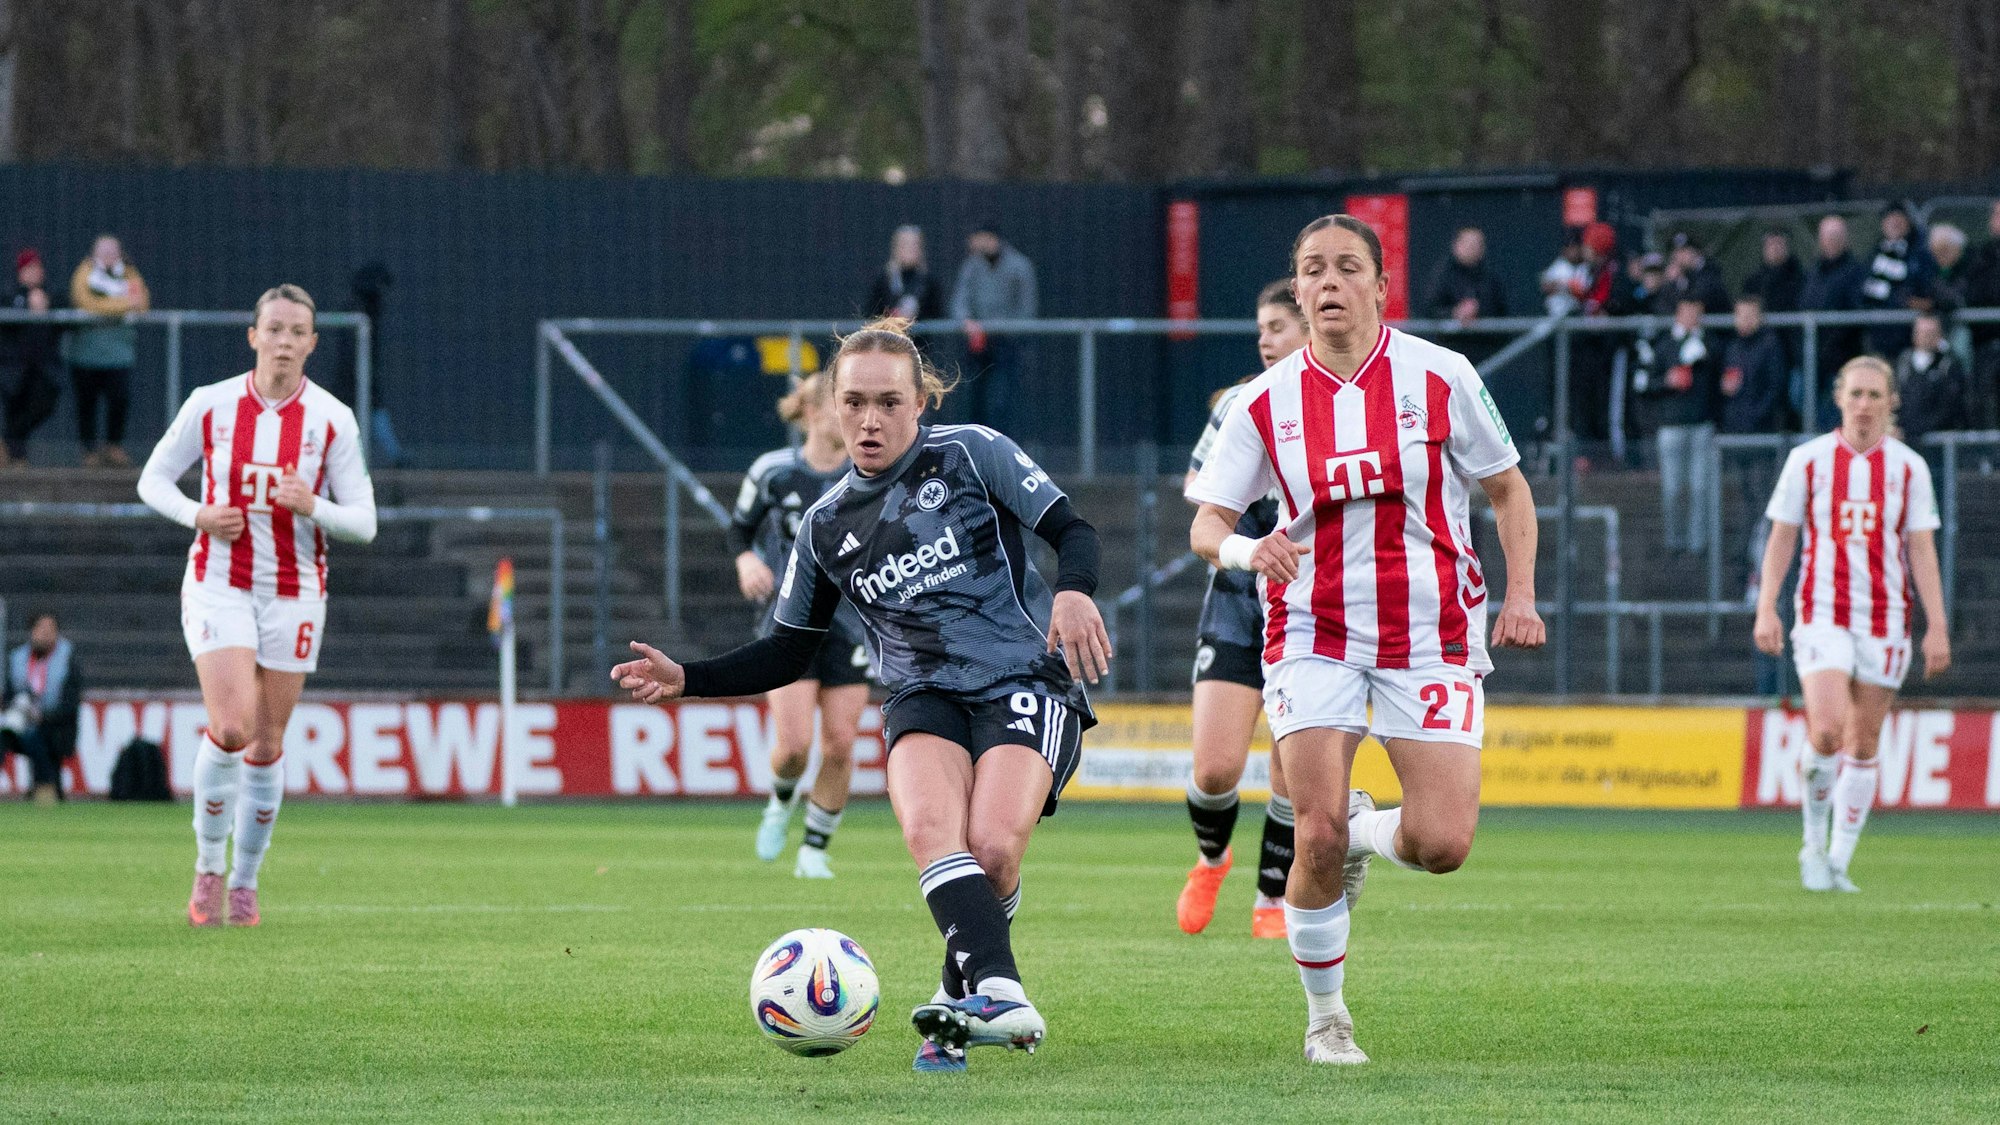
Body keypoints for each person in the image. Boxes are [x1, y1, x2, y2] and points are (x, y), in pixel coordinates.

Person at [613, 318, 1109, 1072]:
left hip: (1024, 677)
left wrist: (1073, 593)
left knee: (995, 851)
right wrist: (690, 678)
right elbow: (786, 649)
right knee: (931, 833)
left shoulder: (972, 453)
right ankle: (1000, 990)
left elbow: (1073, 529)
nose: (869, 420)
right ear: (831, 406)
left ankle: (955, 1012)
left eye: (888, 402)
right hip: (921, 692)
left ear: (921, 402)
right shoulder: (822, 528)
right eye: (854, 402)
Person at [1187, 214, 1545, 1064]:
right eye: (1314, 269)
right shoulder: (1261, 402)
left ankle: (1365, 836)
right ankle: (1327, 1021)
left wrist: (1522, 593)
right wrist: (1247, 547)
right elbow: (1208, 521)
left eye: (1349, 267)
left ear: (1383, 286)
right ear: (1299, 287)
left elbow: (1508, 488)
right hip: (1313, 629)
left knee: (1443, 843)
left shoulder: (1443, 374)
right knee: (1313, 834)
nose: (1330, 283)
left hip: (1432, 633)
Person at [137, 284, 378, 928]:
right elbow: (151, 479)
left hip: (297, 591)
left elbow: (366, 522)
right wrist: (198, 513)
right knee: (234, 726)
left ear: (312, 343)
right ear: (253, 336)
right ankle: (209, 867)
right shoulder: (211, 405)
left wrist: (314, 506)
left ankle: (246, 882)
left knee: (268, 742)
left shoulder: (332, 419)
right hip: (220, 581)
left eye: (297, 331)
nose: (284, 341)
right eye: (273, 329)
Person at [1753, 356, 1949, 893]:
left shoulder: (1910, 469)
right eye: (1855, 394)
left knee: (1863, 744)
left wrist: (1938, 626)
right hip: (1821, 614)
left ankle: (1839, 859)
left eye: (1874, 395)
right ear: (1839, 399)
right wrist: (1767, 605)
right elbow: (1782, 538)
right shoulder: (1808, 461)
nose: (1864, 404)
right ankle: (1812, 847)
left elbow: (1922, 551)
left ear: (1891, 403)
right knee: (1827, 728)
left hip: (1886, 620)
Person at [1174, 280, 1308, 941]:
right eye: (1261, 326)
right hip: (1238, 597)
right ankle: (1211, 857)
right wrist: (1247, 537)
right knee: (1215, 766)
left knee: (1292, 765)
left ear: (1313, 331)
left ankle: (1271, 896)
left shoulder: (1346, 407)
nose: (1265, 337)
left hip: (1314, 604)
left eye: (1279, 326)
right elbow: (1199, 493)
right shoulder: (1237, 405)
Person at [729, 372, 872, 879]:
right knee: (793, 747)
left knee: (839, 742)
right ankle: (780, 801)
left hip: (853, 623)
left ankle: (814, 848)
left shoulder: (869, 472)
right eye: (844, 405)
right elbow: (740, 530)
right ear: (813, 413)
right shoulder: (773, 472)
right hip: (789, 620)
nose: (856, 416)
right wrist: (747, 561)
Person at [1634, 297, 1722, 557]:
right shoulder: (1664, 345)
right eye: (1686, 311)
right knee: (1672, 489)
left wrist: (1704, 356)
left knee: (1699, 487)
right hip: (1671, 425)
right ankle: (1674, 542)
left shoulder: (1710, 343)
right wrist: (1667, 380)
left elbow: (1719, 375)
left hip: (1701, 424)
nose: (1691, 316)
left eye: (1696, 311)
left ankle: (1697, 545)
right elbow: (1643, 383)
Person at [67, 234, 150, 468]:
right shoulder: (85, 273)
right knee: (87, 403)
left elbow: (141, 303)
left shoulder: (129, 273)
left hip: (119, 354)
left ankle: (114, 446)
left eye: (113, 253)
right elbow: (85, 302)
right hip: (86, 354)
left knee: (119, 399)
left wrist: (112, 308)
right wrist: (122, 306)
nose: (109, 257)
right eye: (104, 253)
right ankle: (89, 451)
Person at [949, 220, 1037, 432]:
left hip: (1007, 346)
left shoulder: (1019, 266)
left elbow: (1026, 310)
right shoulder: (972, 265)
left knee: (1002, 401)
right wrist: (967, 322)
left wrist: (999, 327)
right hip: (978, 346)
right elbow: (960, 301)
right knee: (974, 400)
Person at [1, 613, 81, 806]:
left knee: (37, 738)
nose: (45, 635)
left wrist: (42, 716)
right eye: (41, 629)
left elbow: (70, 704)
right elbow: (8, 695)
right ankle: (46, 791)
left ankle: (45, 790)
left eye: (50, 630)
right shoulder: (18, 658)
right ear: (32, 632)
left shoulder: (67, 658)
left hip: (54, 724)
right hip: (21, 722)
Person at [1800, 215, 1868, 427]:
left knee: (1835, 414)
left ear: (1845, 239)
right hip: (1812, 358)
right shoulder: (1813, 272)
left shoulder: (1855, 271)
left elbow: (1855, 313)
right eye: (1827, 236)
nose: (1831, 241)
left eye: (1836, 236)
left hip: (1841, 358)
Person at [1, 248, 64, 467]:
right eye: (29, 269)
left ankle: (9, 445)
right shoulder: (10, 294)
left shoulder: (51, 294)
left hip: (43, 367)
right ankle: (16, 457)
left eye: (37, 268)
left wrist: (46, 306)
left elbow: (67, 309)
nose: (35, 273)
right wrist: (27, 305)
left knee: (42, 404)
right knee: (15, 408)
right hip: (13, 367)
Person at [1860, 202, 1936, 359]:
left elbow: (1929, 291)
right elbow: (1865, 290)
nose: (1894, 223)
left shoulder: (1920, 254)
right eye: (1890, 219)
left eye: (1898, 219)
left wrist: (1911, 301)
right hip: (1879, 337)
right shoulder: (1875, 255)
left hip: (1910, 339)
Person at [1892, 311, 1968, 466]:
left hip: (1939, 445)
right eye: (1922, 332)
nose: (1926, 337)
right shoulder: (1903, 363)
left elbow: (1949, 407)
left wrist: (1915, 430)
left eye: (1931, 333)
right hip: (1906, 441)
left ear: (1940, 335)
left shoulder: (1949, 364)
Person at [1422, 226, 1507, 325]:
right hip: (1449, 339)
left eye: (1476, 244)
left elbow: (1501, 312)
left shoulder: (1491, 278)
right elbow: (1430, 310)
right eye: (1467, 243)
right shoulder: (1442, 276)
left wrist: (1478, 311)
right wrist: (1455, 313)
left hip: (1485, 339)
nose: (1471, 248)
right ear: (1456, 245)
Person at [866, 225, 944, 322]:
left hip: (920, 337)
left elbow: (938, 317)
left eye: (915, 245)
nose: (910, 249)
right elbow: (871, 315)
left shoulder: (930, 282)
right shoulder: (884, 281)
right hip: (889, 336)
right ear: (895, 248)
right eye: (905, 244)